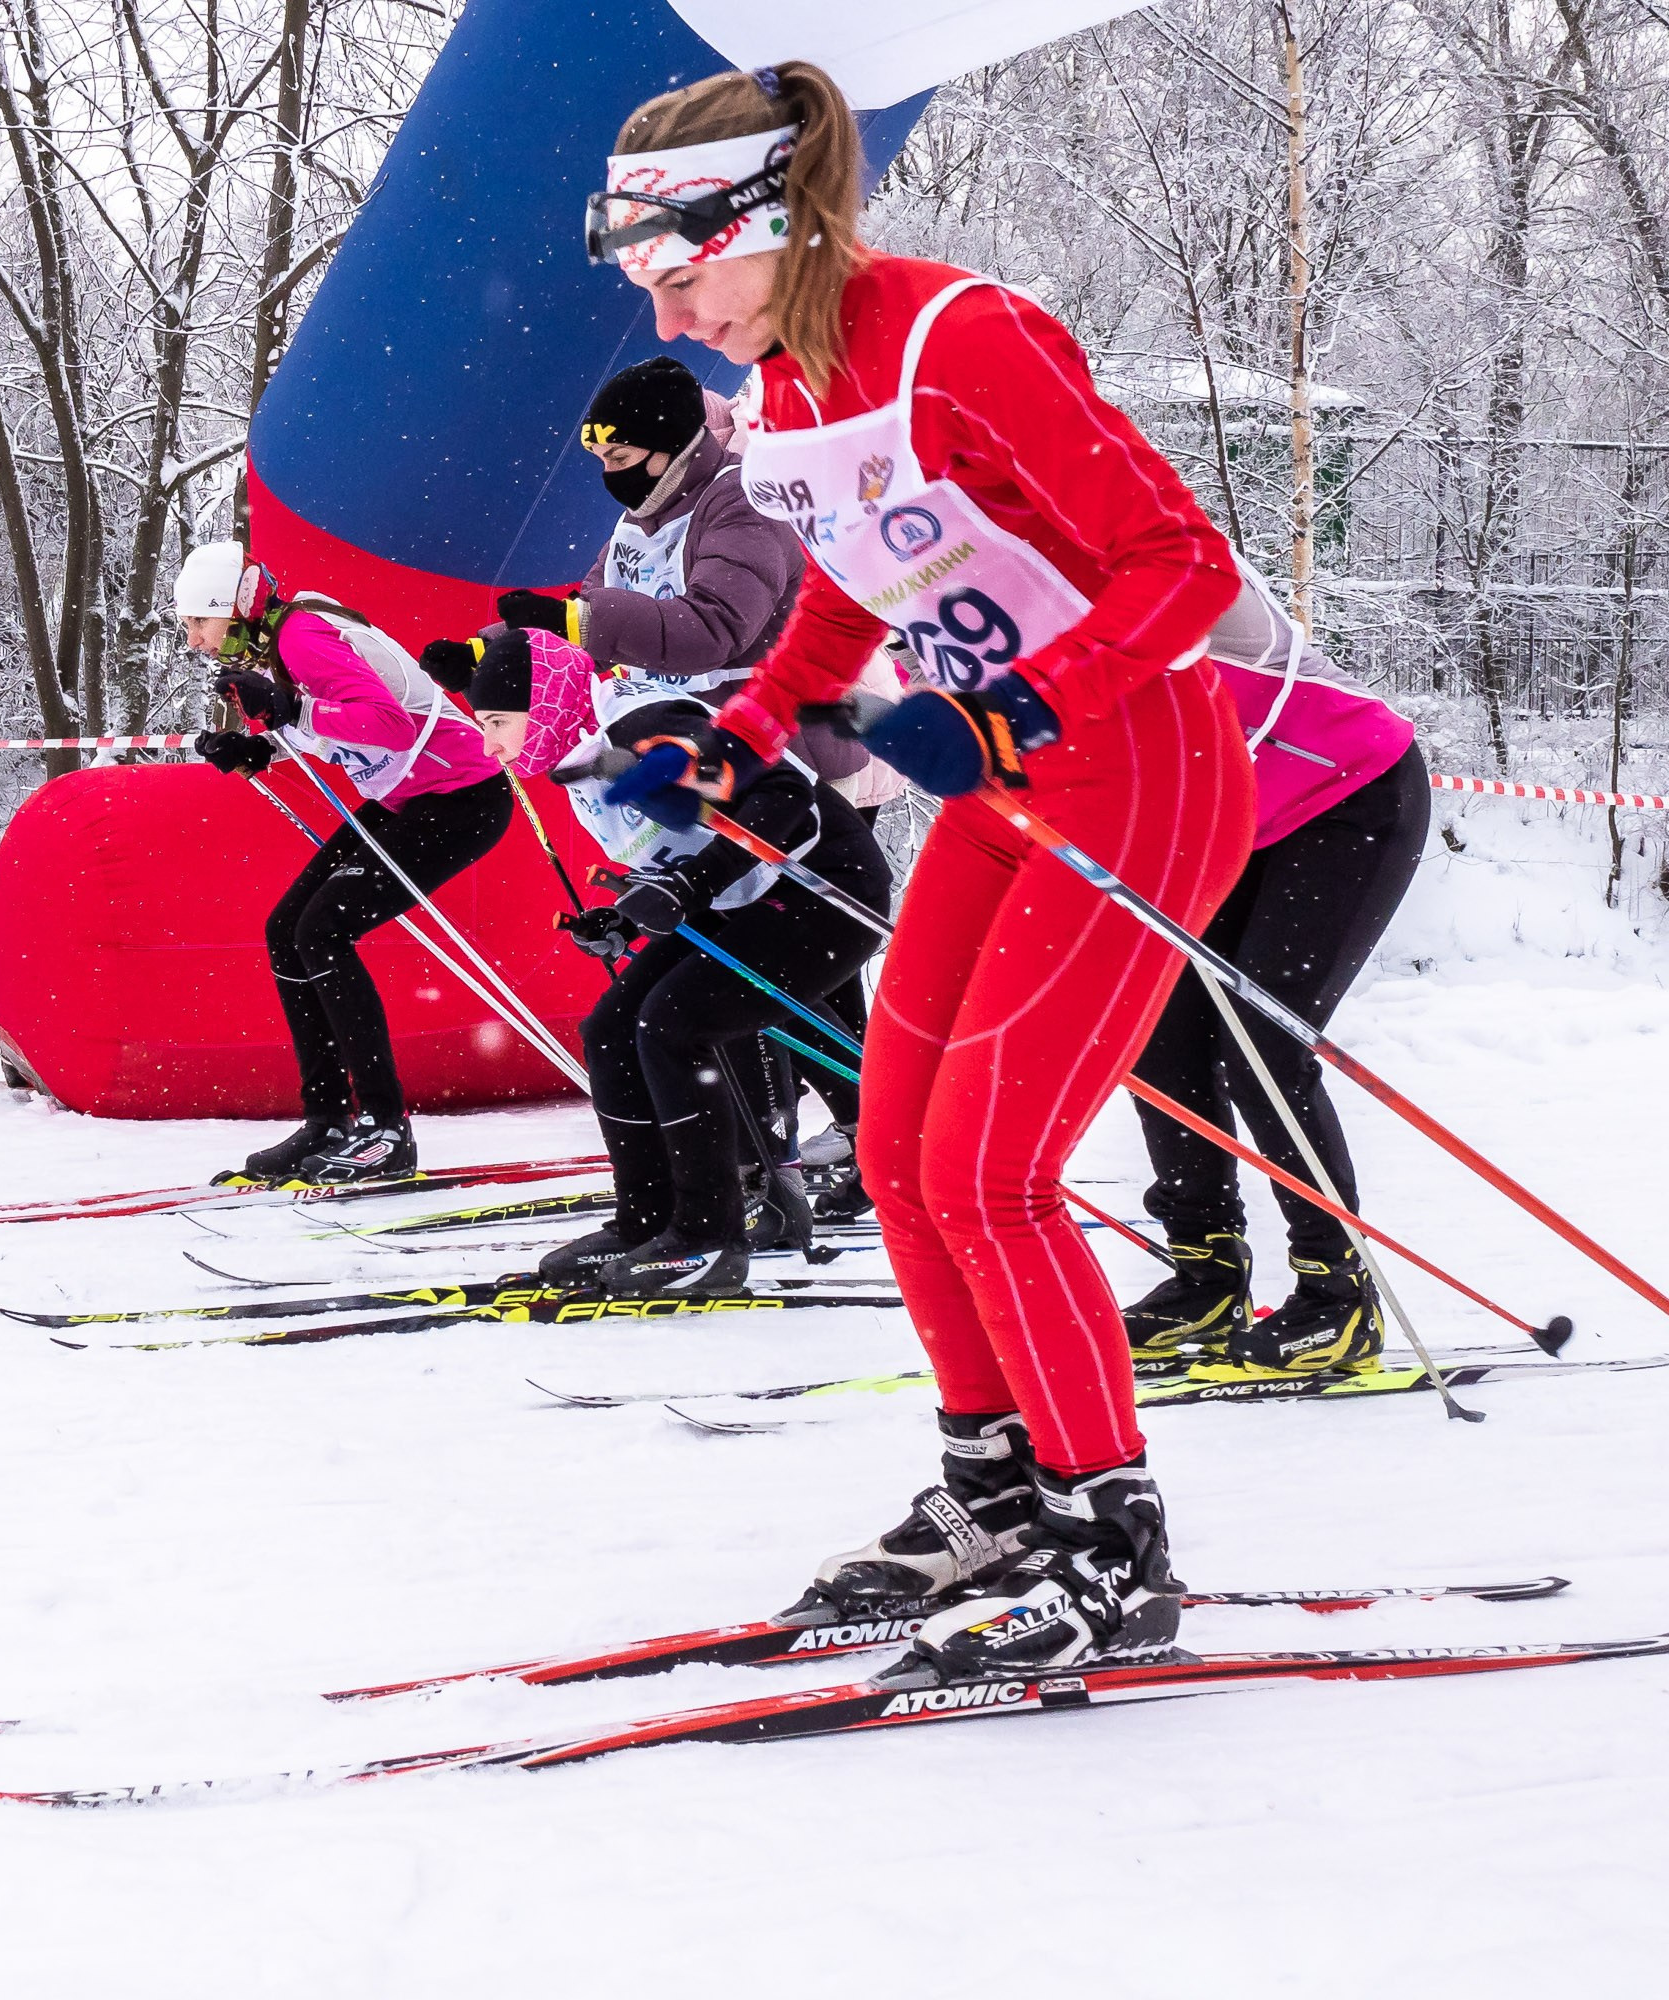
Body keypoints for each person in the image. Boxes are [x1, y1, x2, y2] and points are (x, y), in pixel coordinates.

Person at [592, 61, 1255, 1679]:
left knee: (993, 1172)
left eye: (682, 274)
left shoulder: (960, 339)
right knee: (896, 1148)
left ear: (768, 219)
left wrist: (1021, 700)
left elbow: (1190, 567)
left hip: (1137, 767)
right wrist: (742, 733)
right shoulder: (799, 392)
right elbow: (842, 600)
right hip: (1010, 781)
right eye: (643, 288)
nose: (674, 319)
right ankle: (993, 1494)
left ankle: (1112, 1546)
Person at [489, 354, 862, 1237]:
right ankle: (697, 1206)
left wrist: (583, 626)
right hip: (707, 788)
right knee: (648, 1020)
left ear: (672, 444)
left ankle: (762, 1191)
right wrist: (495, 659)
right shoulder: (638, 530)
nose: (609, 481)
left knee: (713, 1015)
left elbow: (712, 627)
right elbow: (582, 629)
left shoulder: (743, 500)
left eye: (623, 460)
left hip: (778, 773)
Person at [425, 623, 885, 1293]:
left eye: (498, 720)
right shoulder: (578, 753)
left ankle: (707, 1235)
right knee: (610, 1028)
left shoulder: (645, 727)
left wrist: (688, 887)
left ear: (544, 701)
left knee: (673, 1025)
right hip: (742, 900)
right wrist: (627, 913)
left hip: (825, 894)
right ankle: (645, 1221)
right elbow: (681, 842)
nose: (490, 743)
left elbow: (779, 793)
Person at [1121, 613, 1429, 1377]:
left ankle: (1337, 1293)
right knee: (1161, 1040)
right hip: (1240, 814)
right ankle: (1206, 1276)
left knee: (1260, 1044)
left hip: (1350, 791)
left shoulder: (1136, 562)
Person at [178, 541, 512, 1187]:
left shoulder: (301, 637)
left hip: (459, 800)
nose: (193, 639)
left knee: (322, 931)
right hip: (410, 799)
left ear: (231, 609)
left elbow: (383, 722)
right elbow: (328, 728)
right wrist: (258, 750)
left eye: (198, 621)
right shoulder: (282, 643)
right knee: (287, 931)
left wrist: (292, 708)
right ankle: (327, 1122)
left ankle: (385, 1130)